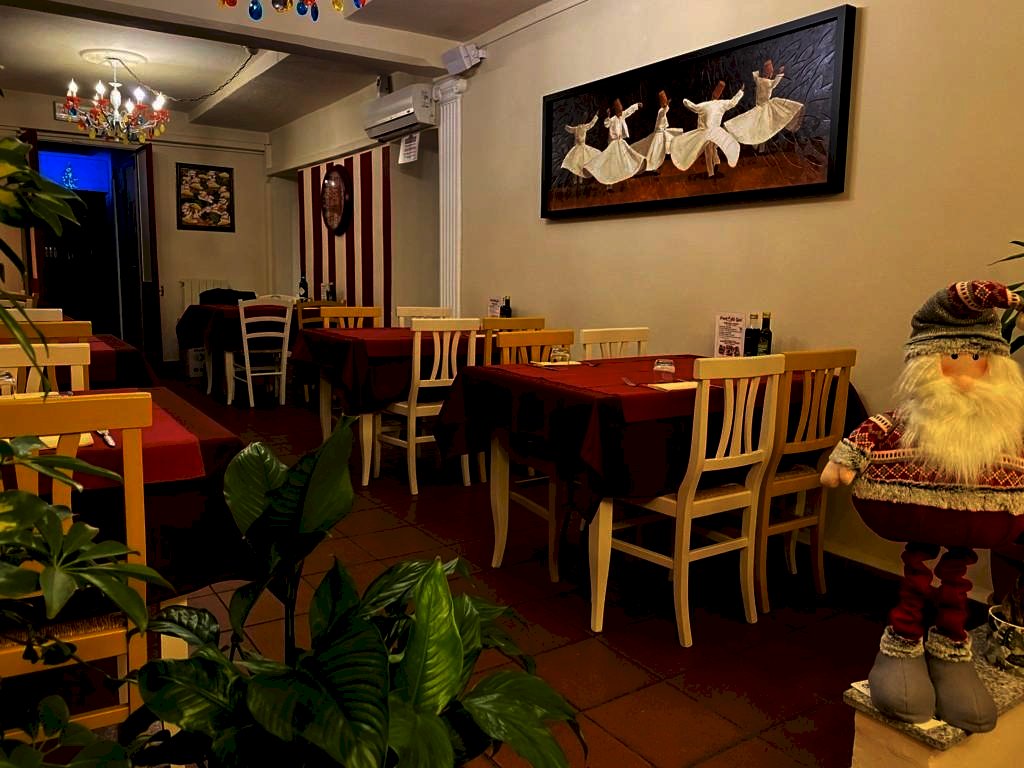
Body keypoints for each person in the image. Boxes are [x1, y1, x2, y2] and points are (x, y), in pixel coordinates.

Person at [822, 280, 1024, 733]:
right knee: (918, 571)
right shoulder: (904, 420)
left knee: (956, 576)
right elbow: (872, 430)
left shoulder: (1007, 428)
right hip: (909, 511)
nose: (966, 373)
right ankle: (901, 644)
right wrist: (844, 462)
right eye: (953, 358)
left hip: (973, 523)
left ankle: (951, 649)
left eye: (977, 359)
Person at [725, 59, 805, 152]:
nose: (771, 72)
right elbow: (774, 83)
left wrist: (778, 74)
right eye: (770, 70)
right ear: (768, 72)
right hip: (763, 107)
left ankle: (759, 148)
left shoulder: (759, 80)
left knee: (759, 128)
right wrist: (779, 73)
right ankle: (759, 148)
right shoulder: (767, 82)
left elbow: (767, 80)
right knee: (762, 129)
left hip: (761, 106)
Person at [669, 81, 744, 177]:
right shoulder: (720, 104)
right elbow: (733, 102)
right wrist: (740, 92)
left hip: (708, 132)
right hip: (715, 132)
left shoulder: (706, 105)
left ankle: (712, 171)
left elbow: (693, 106)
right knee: (713, 148)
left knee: (709, 151)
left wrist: (685, 101)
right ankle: (715, 164)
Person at [583, 98, 645, 187]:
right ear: (616, 111)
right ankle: (609, 184)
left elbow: (629, 110)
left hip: (620, 142)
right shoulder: (612, 119)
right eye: (619, 110)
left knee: (626, 157)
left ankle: (627, 174)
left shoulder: (622, 115)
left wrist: (637, 105)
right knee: (611, 163)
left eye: (621, 110)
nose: (621, 112)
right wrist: (608, 116)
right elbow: (606, 124)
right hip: (613, 144)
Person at [630, 90, 683, 173]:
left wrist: (667, 103)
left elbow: (666, 109)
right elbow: (665, 110)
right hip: (658, 135)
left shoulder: (662, 110)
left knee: (659, 151)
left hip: (661, 134)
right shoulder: (661, 111)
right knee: (655, 152)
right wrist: (666, 104)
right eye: (664, 102)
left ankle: (654, 166)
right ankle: (651, 166)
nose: (665, 104)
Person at [560, 114, 600, 180]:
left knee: (581, 163)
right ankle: (575, 179)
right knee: (575, 163)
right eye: (582, 118)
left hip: (583, 148)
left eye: (584, 118)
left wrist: (596, 116)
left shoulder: (585, 127)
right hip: (577, 148)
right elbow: (568, 128)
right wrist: (564, 124)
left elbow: (591, 123)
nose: (583, 119)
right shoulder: (576, 128)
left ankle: (580, 179)